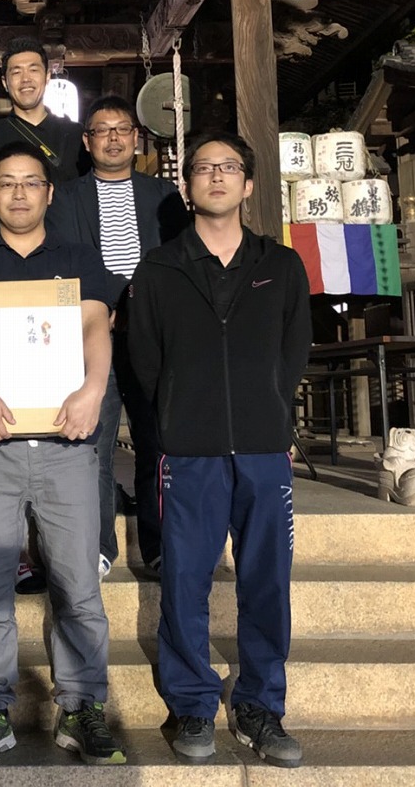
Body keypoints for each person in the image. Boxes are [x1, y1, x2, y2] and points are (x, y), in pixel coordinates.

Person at [127, 131, 311, 768]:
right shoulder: (159, 269)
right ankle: (193, 704)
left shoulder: (280, 265)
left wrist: (272, 411)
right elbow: (144, 359)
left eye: (228, 167)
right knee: (184, 579)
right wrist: (176, 418)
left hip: (262, 447)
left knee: (267, 580)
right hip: (190, 450)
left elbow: (293, 351)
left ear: (248, 184)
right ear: (187, 186)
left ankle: (261, 706)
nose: (215, 176)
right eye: (203, 168)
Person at [0, 143, 125, 767]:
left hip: (66, 443)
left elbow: (95, 324)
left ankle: (81, 706)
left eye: (30, 182)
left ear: (49, 193)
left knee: (77, 584)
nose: (18, 193)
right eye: (6, 183)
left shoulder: (78, 259)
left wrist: (93, 389)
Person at [46, 95, 190, 578]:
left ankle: (158, 543)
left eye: (122, 129)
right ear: (87, 142)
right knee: (94, 443)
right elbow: (67, 257)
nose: (113, 138)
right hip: (93, 333)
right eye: (102, 130)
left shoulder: (163, 196)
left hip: (153, 335)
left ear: (136, 138)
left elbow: (177, 258)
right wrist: (110, 301)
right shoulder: (66, 198)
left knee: (156, 440)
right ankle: (99, 544)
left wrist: (139, 304)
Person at [0, 37, 86, 180]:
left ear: (47, 77)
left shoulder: (74, 133)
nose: (26, 79)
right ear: (5, 83)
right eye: (16, 72)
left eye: (33, 70)